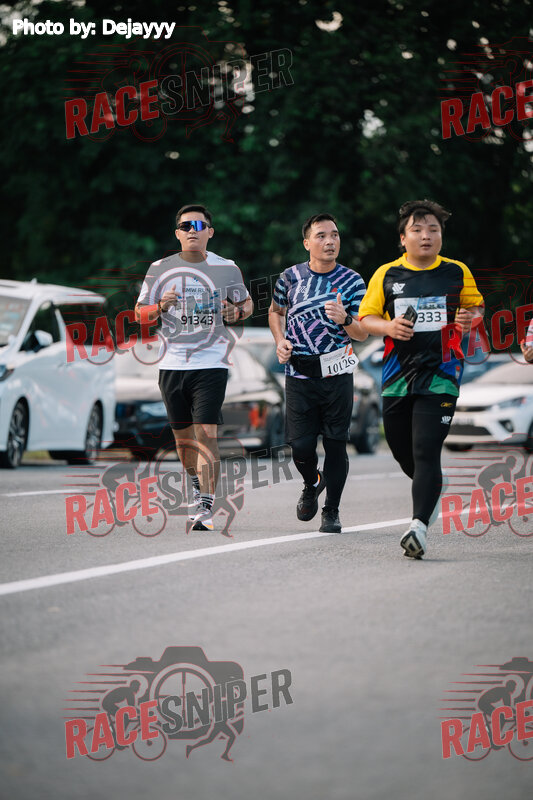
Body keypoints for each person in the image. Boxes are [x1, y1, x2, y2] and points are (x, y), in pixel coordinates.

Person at [359, 199, 484, 558]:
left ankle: (418, 527)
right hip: (398, 376)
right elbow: (366, 319)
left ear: (441, 235)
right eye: (417, 230)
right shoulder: (387, 274)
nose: (426, 236)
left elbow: (475, 307)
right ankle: (432, 485)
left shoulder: (457, 271)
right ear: (403, 238)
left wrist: (470, 319)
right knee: (403, 451)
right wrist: (388, 327)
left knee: (425, 448)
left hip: (442, 374)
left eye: (433, 229)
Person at [135, 204, 253, 531]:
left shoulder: (227, 268)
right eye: (186, 226)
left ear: (210, 232)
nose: (192, 231)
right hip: (171, 364)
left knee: (206, 433)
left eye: (199, 226)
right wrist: (160, 306)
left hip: (211, 362)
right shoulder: (160, 269)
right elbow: (139, 314)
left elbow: (247, 303)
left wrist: (236, 313)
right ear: (177, 233)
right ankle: (197, 485)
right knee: (184, 440)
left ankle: (206, 505)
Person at [268, 213, 368, 533]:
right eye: (321, 235)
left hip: (337, 373)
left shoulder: (353, 281)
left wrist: (345, 319)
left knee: (336, 444)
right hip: (299, 373)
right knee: (300, 446)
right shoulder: (290, 277)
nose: (330, 241)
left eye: (334, 235)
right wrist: (280, 340)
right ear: (307, 243)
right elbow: (275, 312)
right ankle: (312, 483)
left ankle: (331, 511)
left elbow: (363, 331)